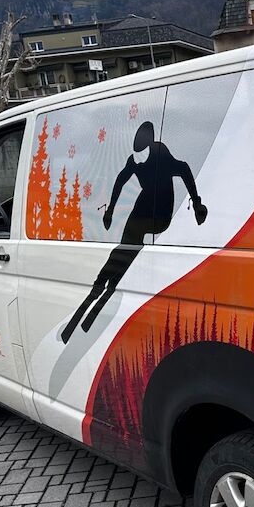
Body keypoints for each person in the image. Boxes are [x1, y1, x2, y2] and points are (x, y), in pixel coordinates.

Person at [61, 121, 207, 343]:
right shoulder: (134, 159)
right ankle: (103, 285)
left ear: (150, 148)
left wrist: (196, 203)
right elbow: (121, 180)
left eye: (142, 155)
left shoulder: (162, 155)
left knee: (130, 243)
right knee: (126, 245)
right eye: (137, 155)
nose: (139, 160)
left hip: (161, 211)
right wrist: (110, 210)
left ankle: (109, 284)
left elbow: (185, 168)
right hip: (144, 204)